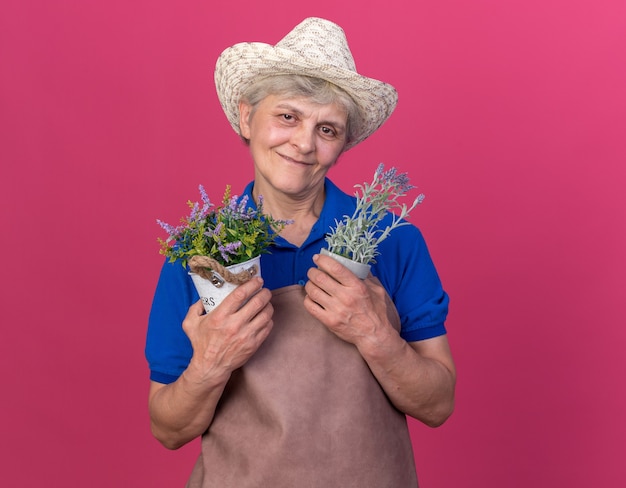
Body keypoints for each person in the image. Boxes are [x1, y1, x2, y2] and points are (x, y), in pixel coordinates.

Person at [146, 17, 456, 488]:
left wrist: (375, 334)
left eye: (327, 129)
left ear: (342, 145)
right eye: (287, 116)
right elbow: (167, 430)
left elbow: (438, 405)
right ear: (248, 117)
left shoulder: (390, 239)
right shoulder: (201, 251)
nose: (304, 143)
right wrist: (211, 362)